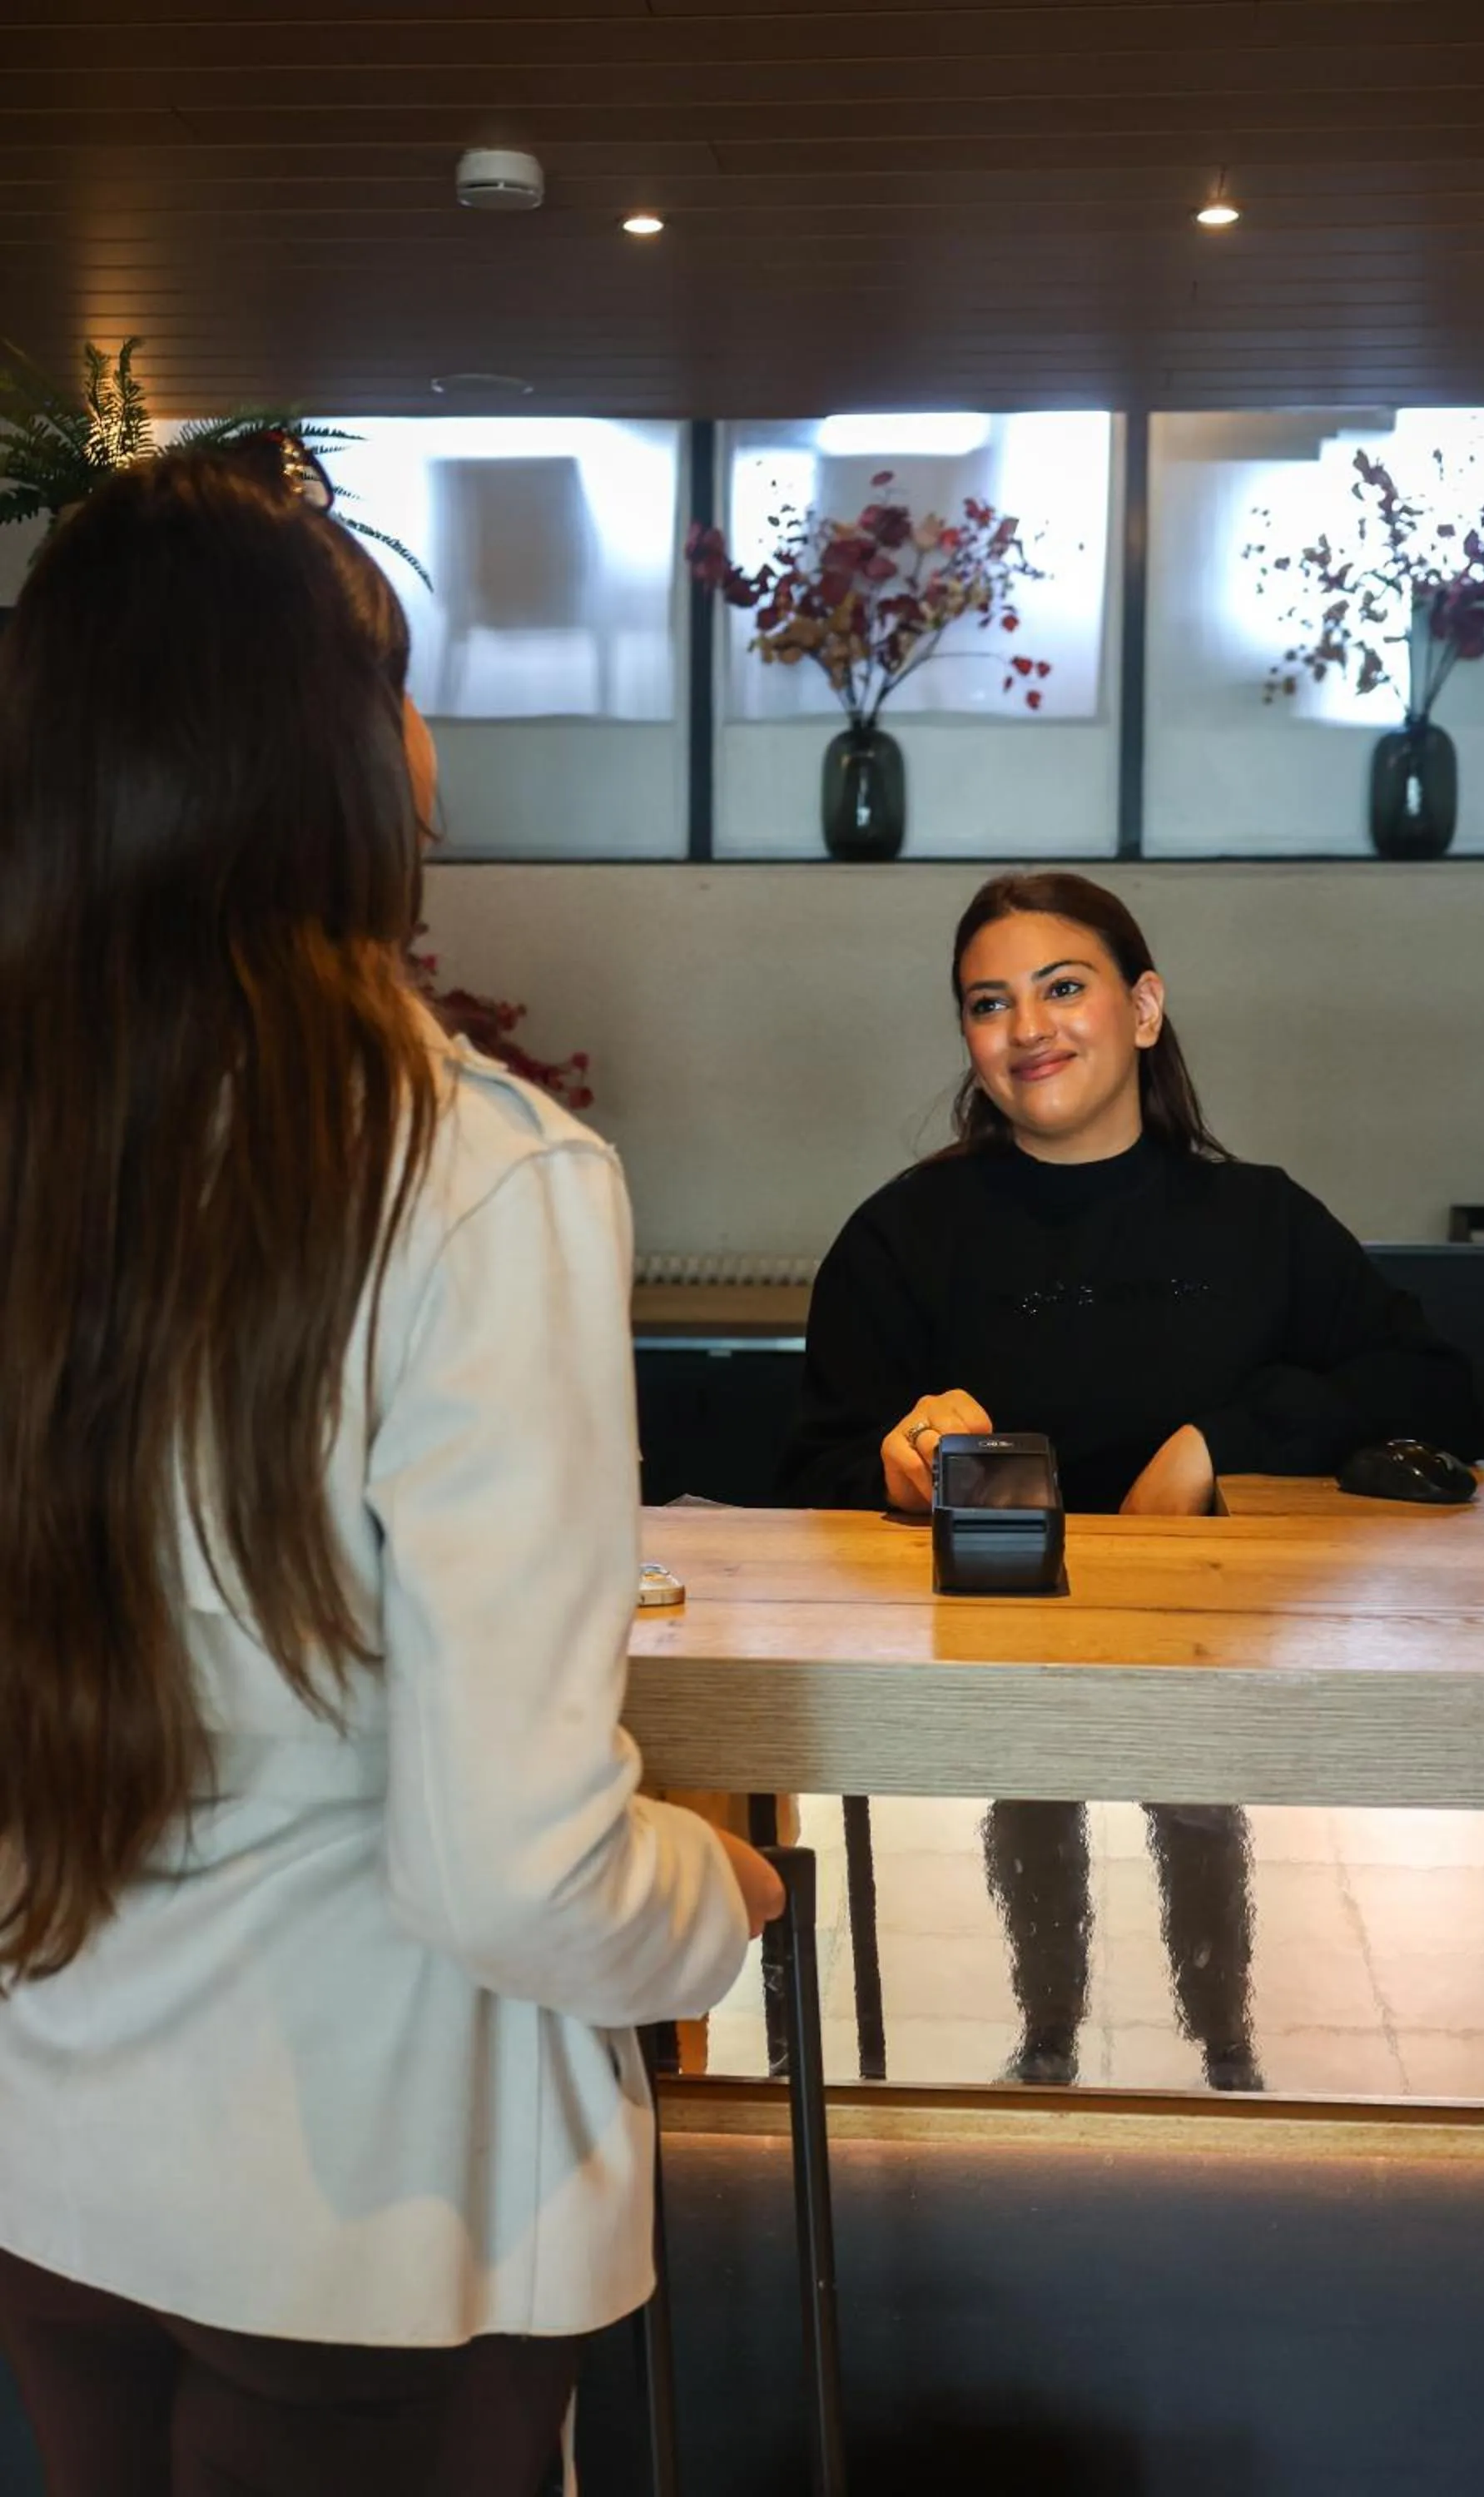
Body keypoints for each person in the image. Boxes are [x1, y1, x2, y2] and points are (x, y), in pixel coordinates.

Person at [0, 448, 783, 2496]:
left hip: (50, 2156)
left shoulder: (32, 1140)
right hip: (367, 2206)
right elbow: (510, 1867)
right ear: (333, 754)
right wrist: (713, 1895)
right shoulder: (472, 1176)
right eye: (398, 691)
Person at [779, 870, 1482, 2088]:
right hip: (988, 1667)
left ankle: (1225, 2048)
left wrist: (1221, 1436)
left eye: (1064, 988)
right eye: (988, 1004)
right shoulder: (905, 1235)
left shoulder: (1258, 1221)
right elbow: (806, 1468)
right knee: (1032, 1816)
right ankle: (1044, 2041)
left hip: (1206, 1652)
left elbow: (1432, 1384)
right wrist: (899, 1470)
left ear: (1144, 1008)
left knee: (1198, 1819)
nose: (1029, 1028)